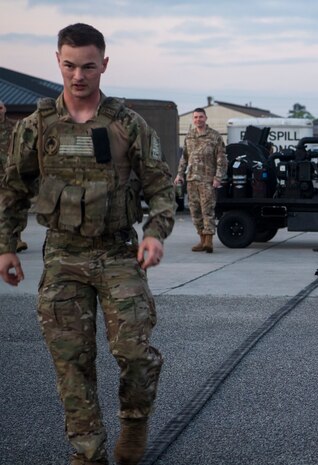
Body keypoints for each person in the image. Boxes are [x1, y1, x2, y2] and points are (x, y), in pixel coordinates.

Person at [0, 23, 175, 465]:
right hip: (63, 255)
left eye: (89, 67)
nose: (79, 76)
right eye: (69, 66)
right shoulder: (37, 126)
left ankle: (134, 421)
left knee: (134, 352)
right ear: (58, 63)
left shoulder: (127, 125)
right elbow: (12, 189)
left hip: (118, 252)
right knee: (71, 363)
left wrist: (155, 233)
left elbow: (160, 187)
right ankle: (88, 452)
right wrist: (5, 245)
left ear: (104, 65)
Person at [174, 108, 226, 253]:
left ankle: (209, 241)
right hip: (192, 180)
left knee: (207, 210)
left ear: (206, 118)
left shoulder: (214, 136)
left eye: (201, 117)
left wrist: (218, 178)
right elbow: (184, 157)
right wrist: (179, 175)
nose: (198, 119)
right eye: (196, 117)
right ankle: (202, 239)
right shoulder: (189, 136)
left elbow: (222, 159)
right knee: (194, 211)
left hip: (207, 181)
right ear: (193, 119)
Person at [0, 100, 28, 253]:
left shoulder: (16, 127)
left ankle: (16, 238)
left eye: (0, 107)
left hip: (12, 175)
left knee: (16, 207)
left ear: (5, 109)